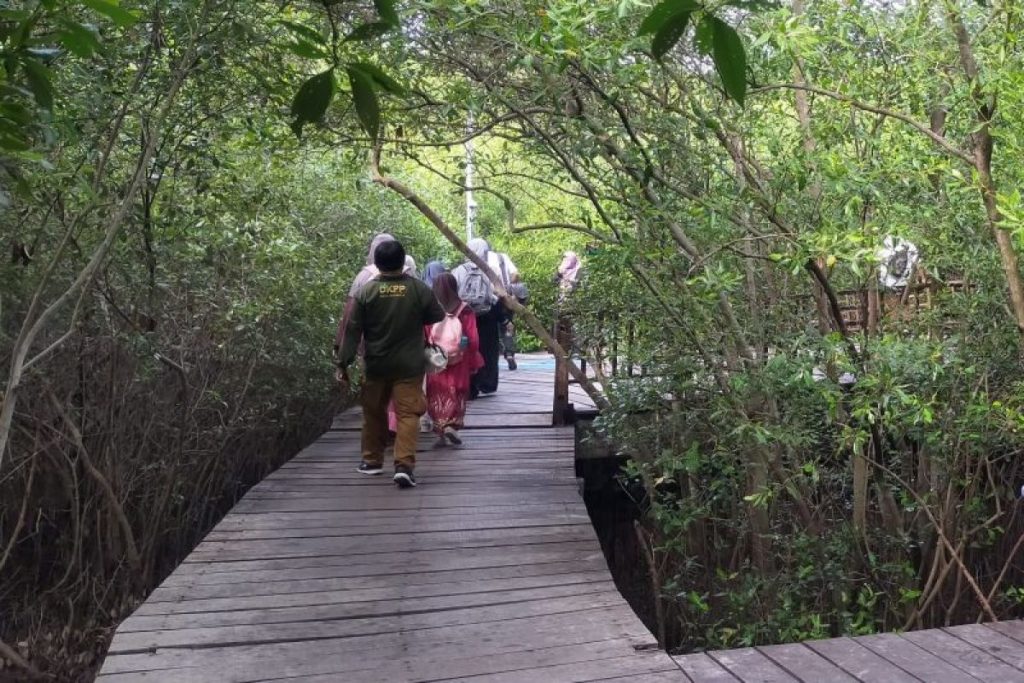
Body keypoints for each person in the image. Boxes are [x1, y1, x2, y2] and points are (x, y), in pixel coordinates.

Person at [336, 239, 445, 488]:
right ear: (402, 260)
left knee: (373, 411)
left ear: (376, 262)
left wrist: (343, 363)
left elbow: (352, 331)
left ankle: (372, 461)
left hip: (376, 364)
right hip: (410, 365)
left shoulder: (366, 292)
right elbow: (436, 315)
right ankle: (404, 464)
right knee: (408, 414)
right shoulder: (418, 289)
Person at [425, 273, 482, 446]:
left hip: (436, 357)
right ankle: (452, 425)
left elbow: (425, 333)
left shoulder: (430, 308)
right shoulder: (464, 309)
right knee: (456, 390)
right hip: (459, 358)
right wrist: (473, 358)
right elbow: (473, 339)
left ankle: (441, 430)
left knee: (436, 392)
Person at [453, 238, 500, 398]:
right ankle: (487, 384)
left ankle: (469, 386)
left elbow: (454, 293)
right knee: (488, 350)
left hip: (464, 317)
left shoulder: (458, 271)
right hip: (487, 316)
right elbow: (495, 295)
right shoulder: (488, 270)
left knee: (468, 349)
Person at [501, 272, 529, 371]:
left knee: (501, 332)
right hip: (510, 312)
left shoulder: (505, 286)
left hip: (500, 311)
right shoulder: (522, 287)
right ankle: (509, 354)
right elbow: (524, 302)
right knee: (508, 332)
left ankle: (506, 354)